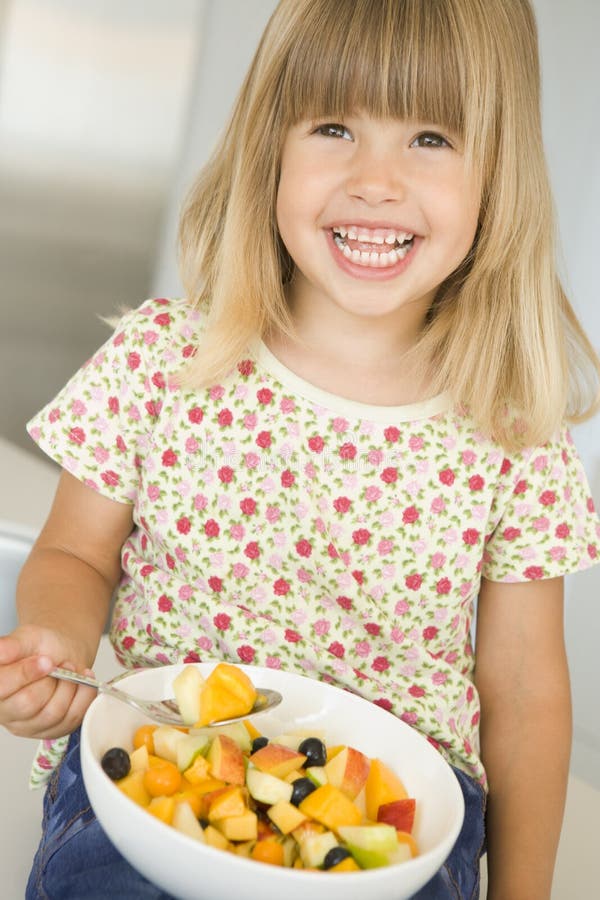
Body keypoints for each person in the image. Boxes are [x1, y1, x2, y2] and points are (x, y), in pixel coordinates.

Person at [1, 0, 598, 897]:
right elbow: (76, 554)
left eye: (431, 138)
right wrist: (53, 636)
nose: (376, 181)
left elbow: (522, 692)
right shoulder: (163, 359)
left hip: (395, 822)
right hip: (162, 769)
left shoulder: (513, 432)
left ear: (500, 174)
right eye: (333, 127)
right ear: (267, 149)